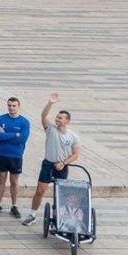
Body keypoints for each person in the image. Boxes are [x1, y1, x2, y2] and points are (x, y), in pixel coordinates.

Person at [22, 93, 80, 226]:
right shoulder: (50, 129)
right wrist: (50, 103)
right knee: (40, 190)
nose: (57, 119)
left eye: (60, 118)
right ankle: (32, 214)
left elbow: (76, 154)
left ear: (67, 121)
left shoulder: (73, 136)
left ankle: (62, 217)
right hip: (48, 164)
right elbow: (43, 116)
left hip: (61, 166)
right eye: (57, 117)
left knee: (61, 193)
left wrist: (64, 163)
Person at [0, 97, 30, 218]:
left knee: (14, 181)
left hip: (16, 155)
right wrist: (14, 134)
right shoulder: (1, 119)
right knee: (1, 179)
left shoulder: (24, 122)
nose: (11, 108)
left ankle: (14, 205)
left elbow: (22, 139)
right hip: (2, 154)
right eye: (9, 106)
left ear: (19, 106)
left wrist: (6, 134)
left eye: (14, 106)